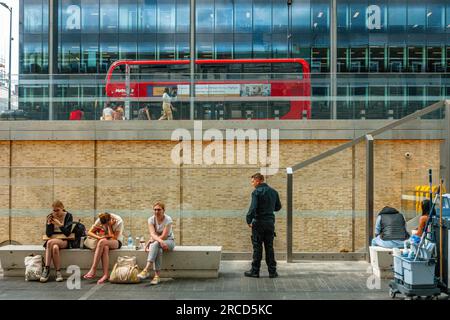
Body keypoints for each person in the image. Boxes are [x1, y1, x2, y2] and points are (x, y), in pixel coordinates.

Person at [245, 173, 281, 279]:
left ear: (258, 180)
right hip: (270, 223)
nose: (252, 184)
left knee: (257, 248)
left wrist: (248, 219)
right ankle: (272, 272)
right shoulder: (274, 192)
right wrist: (268, 208)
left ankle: (255, 271)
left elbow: (253, 208)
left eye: (253, 181)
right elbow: (278, 207)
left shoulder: (256, 192)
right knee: (269, 247)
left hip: (259, 223)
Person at [137, 201, 175, 285]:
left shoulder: (168, 219)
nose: (156, 212)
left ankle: (146, 269)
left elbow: (165, 236)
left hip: (169, 241)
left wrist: (152, 241)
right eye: (155, 210)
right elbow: (152, 234)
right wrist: (158, 241)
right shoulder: (151, 219)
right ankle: (157, 277)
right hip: (159, 242)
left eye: (159, 209)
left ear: (163, 210)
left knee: (156, 244)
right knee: (158, 249)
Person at [83, 212, 124, 284]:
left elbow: (114, 238)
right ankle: (105, 275)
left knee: (102, 242)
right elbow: (89, 232)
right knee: (105, 247)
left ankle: (93, 269)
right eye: (102, 224)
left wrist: (109, 226)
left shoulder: (119, 221)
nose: (102, 226)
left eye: (105, 224)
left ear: (110, 220)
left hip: (116, 242)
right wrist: (98, 237)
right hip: (105, 241)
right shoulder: (101, 219)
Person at [40, 200, 73, 283]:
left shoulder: (68, 216)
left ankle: (46, 269)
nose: (56, 212)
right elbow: (49, 234)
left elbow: (67, 233)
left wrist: (59, 225)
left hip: (64, 240)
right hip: (53, 240)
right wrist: (48, 224)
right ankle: (58, 273)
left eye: (58, 210)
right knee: (54, 248)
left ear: (62, 208)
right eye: (54, 210)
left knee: (50, 243)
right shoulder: (50, 217)